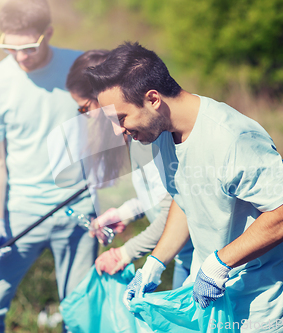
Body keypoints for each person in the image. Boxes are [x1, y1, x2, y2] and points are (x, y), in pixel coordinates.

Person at [84, 42, 283, 333]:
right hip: (212, 300)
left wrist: (220, 264)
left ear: (153, 99)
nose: (119, 131)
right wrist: (155, 262)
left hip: (262, 306)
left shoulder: (231, 137)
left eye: (120, 118)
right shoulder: (163, 134)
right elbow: (185, 198)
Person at [0, 1, 98, 331]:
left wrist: (106, 201)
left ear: (48, 34)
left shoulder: (83, 69)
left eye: (29, 47)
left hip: (77, 210)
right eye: (10, 48)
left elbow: (111, 136)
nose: (21, 56)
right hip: (19, 215)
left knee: (80, 315)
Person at [65, 50, 193, 288]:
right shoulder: (137, 139)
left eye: (84, 110)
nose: (84, 118)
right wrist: (124, 213)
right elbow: (161, 196)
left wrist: (124, 254)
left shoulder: (151, 138)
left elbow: (177, 209)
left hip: (200, 257)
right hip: (185, 256)